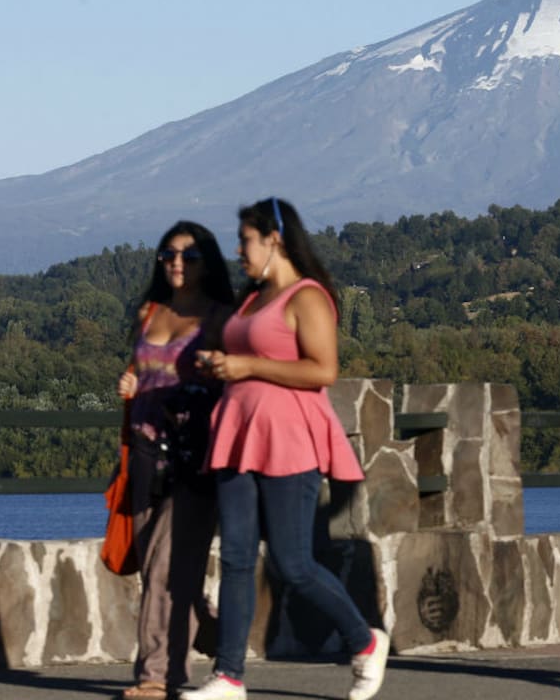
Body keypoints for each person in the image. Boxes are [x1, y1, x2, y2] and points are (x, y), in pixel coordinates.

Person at [181, 198, 387, 700]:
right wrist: (220, 363)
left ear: (274, 238)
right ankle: (229, 676)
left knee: (292, 563)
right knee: (233, 558)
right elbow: (249, 352)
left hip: (289, 440)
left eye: (245, 239)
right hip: (238, 436)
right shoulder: (252, 298)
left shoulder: (307, 297)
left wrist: (247, 367)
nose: (238, 249)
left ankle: (364, 641)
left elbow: (323, 370)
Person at [117, 221, 235, 700]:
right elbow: (139, 367)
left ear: (208, 262)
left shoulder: (221, 318)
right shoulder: (150, 312)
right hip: (145, 456)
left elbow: (234, 378)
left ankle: (157, 673)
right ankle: (206, 625)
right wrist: (130, 383)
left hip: (195, 455)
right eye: (168, 254)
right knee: (157, 567)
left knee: (168, 566)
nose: (177, 264)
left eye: (189, 255)